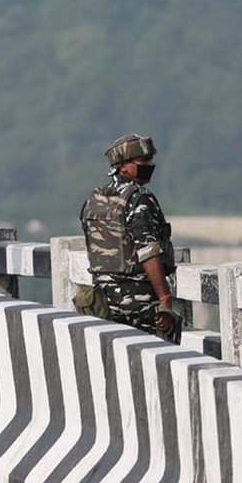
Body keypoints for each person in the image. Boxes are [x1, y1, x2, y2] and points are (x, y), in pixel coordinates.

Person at [77, 133, 180, 342]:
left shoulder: (94, 199)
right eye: (142, 161)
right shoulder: (139, 198)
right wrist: (165, 300)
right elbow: (148, 253)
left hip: (102, 304)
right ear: (122, 165)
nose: (149, 165)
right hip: (140, 304)